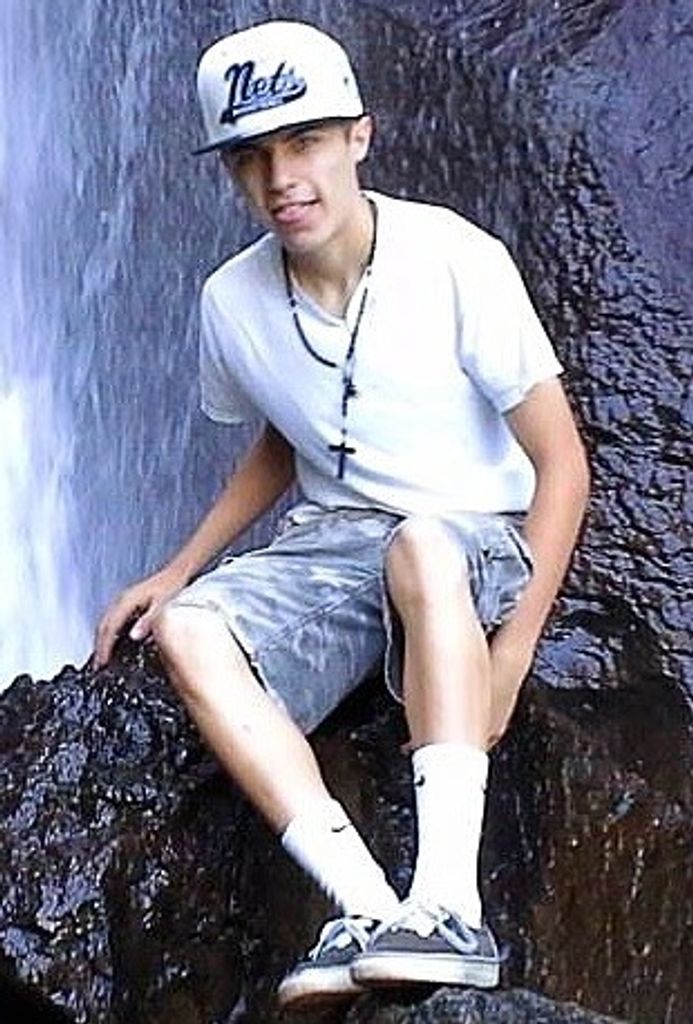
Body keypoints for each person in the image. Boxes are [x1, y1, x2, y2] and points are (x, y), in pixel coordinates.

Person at [94, 19, 589, 1012]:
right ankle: (367, 910)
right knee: (187, 630)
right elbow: (282, 440)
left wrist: (510, 658)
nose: (283, 177)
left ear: (359, 136)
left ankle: (448, 908)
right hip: (332, 545)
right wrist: (178, 569)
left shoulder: (455, 258)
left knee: (420, 544)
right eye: (252, 156)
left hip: (466, 531)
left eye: (306, 142)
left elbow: (563, 465)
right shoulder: (230, 302)